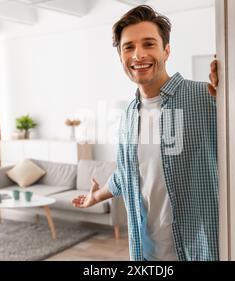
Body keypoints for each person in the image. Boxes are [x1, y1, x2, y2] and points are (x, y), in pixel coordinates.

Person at [72, 5, 219, 261]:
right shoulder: (129, 115)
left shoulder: (206, 95)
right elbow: (128, 173)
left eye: (148, 44)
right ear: (121, 57)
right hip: (146, 254)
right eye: (128, 47)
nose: (138, 54)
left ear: (166, 50)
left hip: (199, 252)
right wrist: (96, 195)